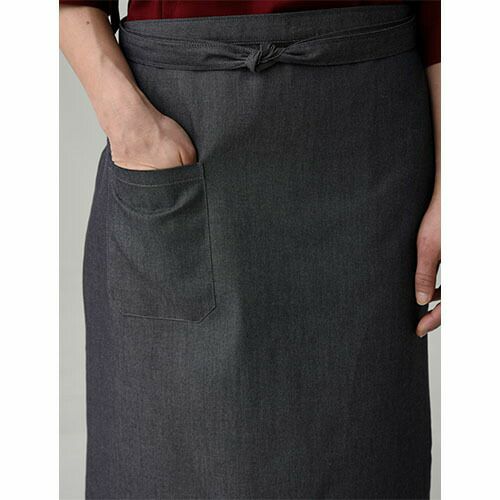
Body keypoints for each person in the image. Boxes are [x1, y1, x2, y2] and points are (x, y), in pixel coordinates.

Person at [60, 1, 441, 498]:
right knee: (164, 463)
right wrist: (129, 124)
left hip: (367, 139)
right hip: (185, 126)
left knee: (363, 457)